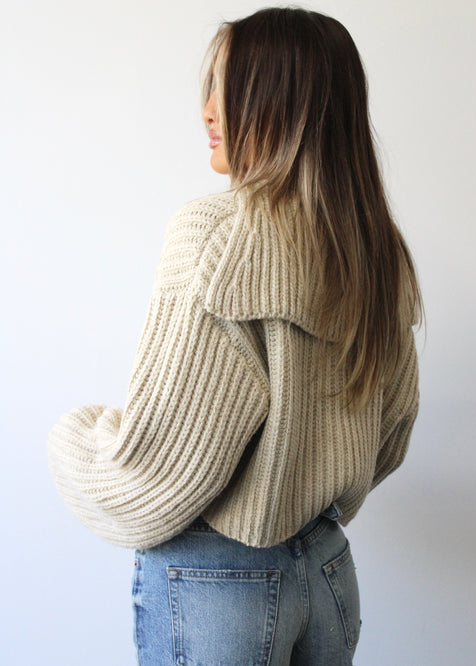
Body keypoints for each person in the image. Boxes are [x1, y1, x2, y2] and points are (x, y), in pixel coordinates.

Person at [48, 7, 422, 665]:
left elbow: (155, 476)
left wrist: (70, 439)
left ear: (282, 103)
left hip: (219, 585)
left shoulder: (217, 237)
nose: (207, 111)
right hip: (327, 570)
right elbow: (388, 435)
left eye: (228, 88)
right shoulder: (373, 249)